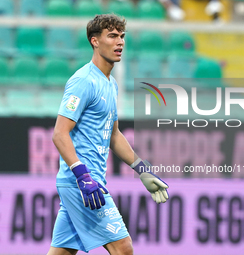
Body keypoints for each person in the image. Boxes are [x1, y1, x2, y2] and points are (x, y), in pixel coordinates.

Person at [48, 14, 169, 255]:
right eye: (112, 36)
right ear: (94, 41)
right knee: (123, 249)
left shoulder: (110, 84)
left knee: (61, 252)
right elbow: (59, 134)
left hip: (88, 183)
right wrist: (82, 176)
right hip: (83, 183)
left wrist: (142, 169)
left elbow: (113, 135)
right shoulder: (83, 81)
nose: (120, 42)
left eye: (122, 37)